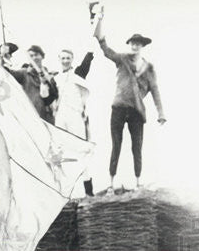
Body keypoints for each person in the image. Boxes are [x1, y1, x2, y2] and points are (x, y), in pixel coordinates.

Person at [94, 11, 166, 191]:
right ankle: (110, 183)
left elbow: (155, 90)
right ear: (130, 44)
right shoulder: (122, 59)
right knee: (116, 145)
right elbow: (105, 48)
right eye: (133, 42)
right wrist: (99, 21)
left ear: (142, 45)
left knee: (137, 147)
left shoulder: (148, 68)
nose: (135, 45)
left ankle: (138, 182)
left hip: (136, 110)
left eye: (138, 43)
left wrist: (161, 112)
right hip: (119, 107)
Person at [54, 48, 96, 196]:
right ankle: (64, 192)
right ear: (59, 59)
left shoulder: (77, 73)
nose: (65, 61)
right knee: (61, 152)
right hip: (60, 117)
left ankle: (89, 191)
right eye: (63, 58)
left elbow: (87, 60)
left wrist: (91, 48)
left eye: (68, 58)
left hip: (75, 116)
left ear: (72, 59)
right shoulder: (56, 77)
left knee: (81, 151)